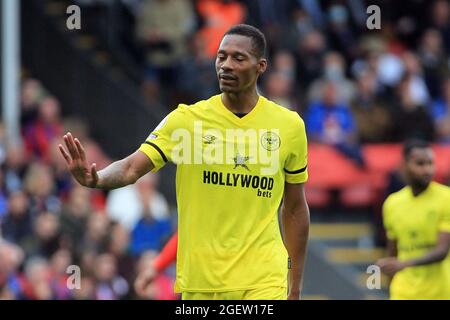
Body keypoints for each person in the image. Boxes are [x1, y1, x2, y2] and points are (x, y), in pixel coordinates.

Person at [59, 24, 310, 300]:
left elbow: (295, 209)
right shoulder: (186, 121)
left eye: (238, 58)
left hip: (264, 280)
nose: (226, 65)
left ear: (260, 66)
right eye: (221, 56)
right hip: (201, 283)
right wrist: (97, 179)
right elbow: (131, 167)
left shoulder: (289, 127)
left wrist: (293, 285)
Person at [376, 139, 450, 300]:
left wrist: (403, 264)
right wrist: (389, 277)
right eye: (420, 163)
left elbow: (442, 251)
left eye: (431, 163)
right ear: (404, 165)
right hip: (403, 292)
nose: (427, 170)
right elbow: (393, 249)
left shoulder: (446, 198)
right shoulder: (392, 203)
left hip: (440, 292)